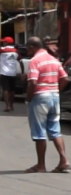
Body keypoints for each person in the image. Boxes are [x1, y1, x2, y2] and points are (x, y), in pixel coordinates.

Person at [25, 37, 70, 173]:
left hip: (40, 97)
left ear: (32, 47)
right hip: (54, 96)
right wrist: (56, 90)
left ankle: (41, 165)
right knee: (55, 130)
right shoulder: (53, 60)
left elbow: (32, 82)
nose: (27, 51)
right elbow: (65, 78)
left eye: (28, 48)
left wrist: (28, 98)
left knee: (39, 132)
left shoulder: (35, 61)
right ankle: (63, 160)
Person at [0, 37, 18, 112]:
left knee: (5, 89)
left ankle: (7, 105)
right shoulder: (15, 51)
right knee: (12, 90)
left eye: (4, 42)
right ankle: (11, 105)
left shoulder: (2, 50)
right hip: (13, 73)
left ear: (7, 43)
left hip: (4, 72)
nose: (3, 43)